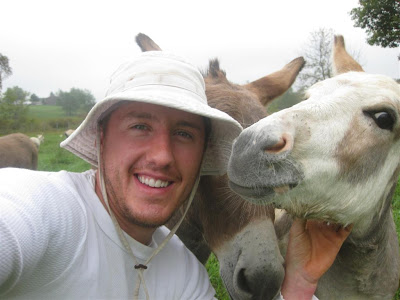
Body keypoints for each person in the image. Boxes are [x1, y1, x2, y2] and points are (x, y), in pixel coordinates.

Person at [0, 50, 351, 300]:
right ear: (102, 137)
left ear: (203, 153)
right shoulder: (37, 210)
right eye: (139, 126)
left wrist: (299, 286)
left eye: (185, 133)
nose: (163, 156)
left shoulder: (185, 276)